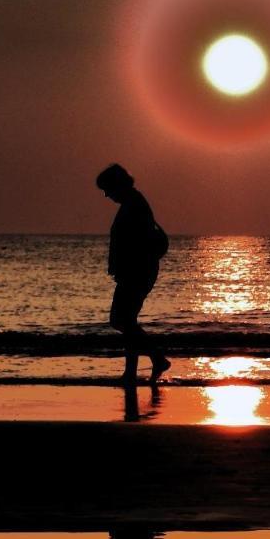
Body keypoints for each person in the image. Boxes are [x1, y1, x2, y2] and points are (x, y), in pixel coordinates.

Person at [98, 164, 171, 385]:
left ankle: (154, 360)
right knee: (125, 320)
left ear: (117, 185)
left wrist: (125, 266)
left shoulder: (134, 205)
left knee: (122, 320)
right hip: (137, 271)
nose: (106, 195)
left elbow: (135, 241)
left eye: (107, 189)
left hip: (137, 271)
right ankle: (140, 367)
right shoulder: (133, 202)